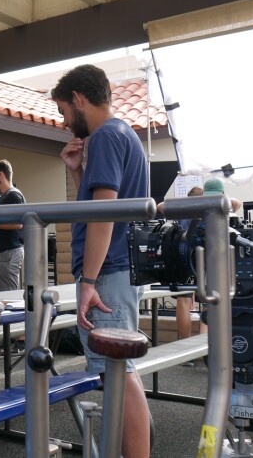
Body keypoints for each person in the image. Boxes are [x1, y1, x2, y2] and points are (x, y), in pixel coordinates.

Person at [54, 64, 150, 458]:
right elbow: (100, 203)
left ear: (79, 99)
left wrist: (88, 281)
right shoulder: (122, 133)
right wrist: (78, 173)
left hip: (108, 272)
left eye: (63, 111)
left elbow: (103, 215)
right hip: (117, 268)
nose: (64, 122)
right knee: (121, 373)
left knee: (117, 376)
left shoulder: (107, 136)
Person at [0, 159, 26, 291]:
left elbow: (18, 223)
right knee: (4, 295)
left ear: (1, 175)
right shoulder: (5, 197)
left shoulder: (13, 195)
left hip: (9, 253)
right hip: (5, 253)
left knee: (9, 297)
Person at [176, 186, 205, 357]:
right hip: (206, 259)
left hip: (183, 259)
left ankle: (185, 351)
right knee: (210, 304)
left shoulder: (181, 211)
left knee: (183, 302)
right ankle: (203, 348)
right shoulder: (209, 210)